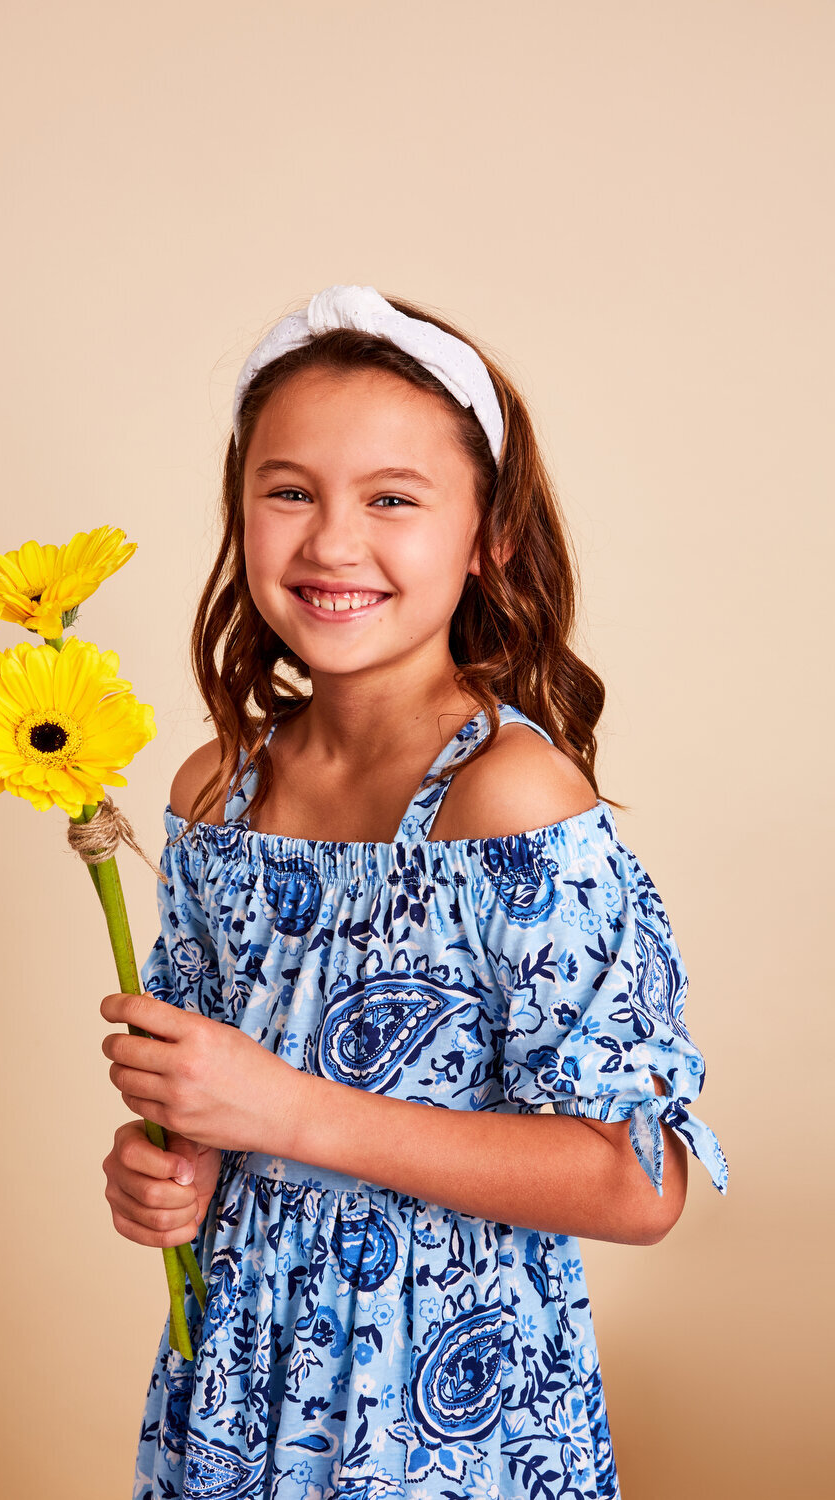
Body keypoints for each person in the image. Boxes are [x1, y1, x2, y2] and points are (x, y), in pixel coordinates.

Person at [99, 284, 728, 1500]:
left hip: (446, 1418)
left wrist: (287, 1113)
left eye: (393, 498)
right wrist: (167, 1164)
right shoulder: (216, 792)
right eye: (290, 491)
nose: (333, 543)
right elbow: (209, 1106)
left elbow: (637, 1181)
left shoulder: (510, 799)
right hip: (238, 1389)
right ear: (239, 514)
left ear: (487, 535)